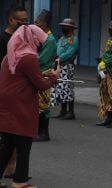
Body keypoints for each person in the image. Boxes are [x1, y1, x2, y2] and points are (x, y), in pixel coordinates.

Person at [0, 25, 60, 188]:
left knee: (7, 144)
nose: (40, 46)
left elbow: (23, 76)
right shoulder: (28, 57)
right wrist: (54, 77)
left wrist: (41, 75)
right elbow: (41, 85)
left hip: (7, 105)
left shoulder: (10, 55)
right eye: (39, 42)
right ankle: (20, 181)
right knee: (24, 143)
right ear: (33, 40)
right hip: (20, 105)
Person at [0, 5, 28, 182]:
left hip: (21, 92)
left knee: (15, 132)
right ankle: (10, 167)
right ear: (11, 20)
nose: (25, 24)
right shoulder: (3, 40)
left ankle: (12, 167)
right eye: (21, 21)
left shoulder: (24, 39)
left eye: (27, 20)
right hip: (6, 92)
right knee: (7, 134)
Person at [34, 9, 57, 141]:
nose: (37, 27)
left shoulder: (50, 39)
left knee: (43, 104)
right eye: (36, 24)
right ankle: (38, 131)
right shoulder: (42, 37)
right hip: (39, 74)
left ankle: (44, 133)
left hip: (45, 74)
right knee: (38, 104)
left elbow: (42, 59)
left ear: (47, 25)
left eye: (40, 25)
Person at [51, 18, 79, 120]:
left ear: (71, 28)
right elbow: (56, 49)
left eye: (65, 27)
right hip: (57, 64)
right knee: (59, 87)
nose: (63, 28)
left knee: (67, 87)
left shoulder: (73, 39)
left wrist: (59, 58)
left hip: (66, 66)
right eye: (63, 26)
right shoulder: (62, 39)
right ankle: (63, 111)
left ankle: (71, 112)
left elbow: (70, 53)